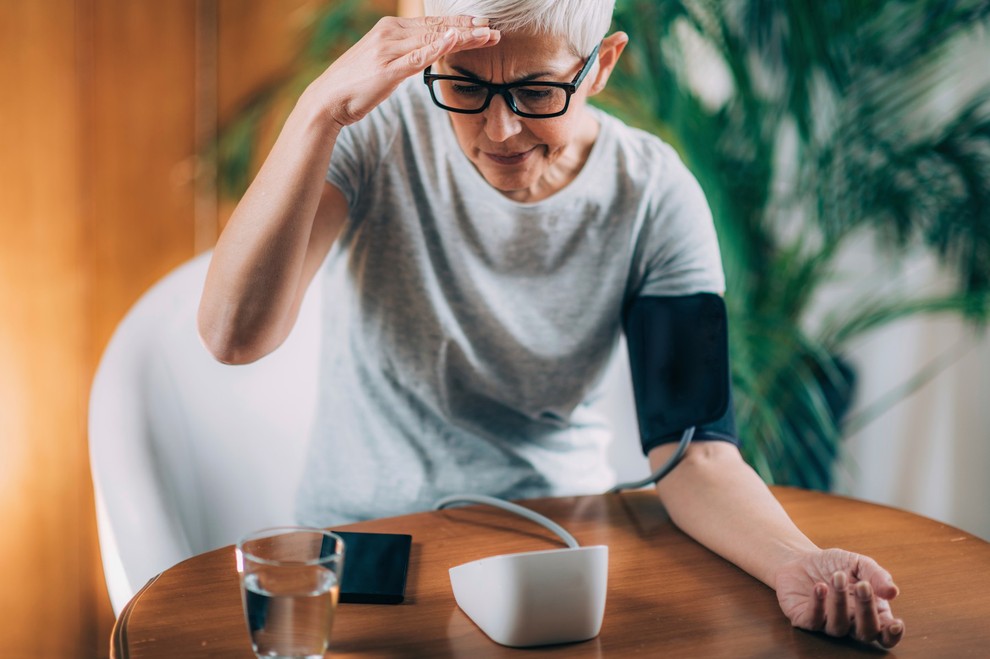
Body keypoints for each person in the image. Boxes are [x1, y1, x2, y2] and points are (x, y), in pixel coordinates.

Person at [197, 0, 905, 648]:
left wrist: (797, 562)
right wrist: (319, 109)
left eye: (537, 91)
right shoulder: (375, 138)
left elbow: (696, 454)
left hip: (548, 538)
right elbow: (233, 336)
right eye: (465, 86)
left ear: (601, 66)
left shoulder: (654, 196)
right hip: (370, 540)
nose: (499, 129)